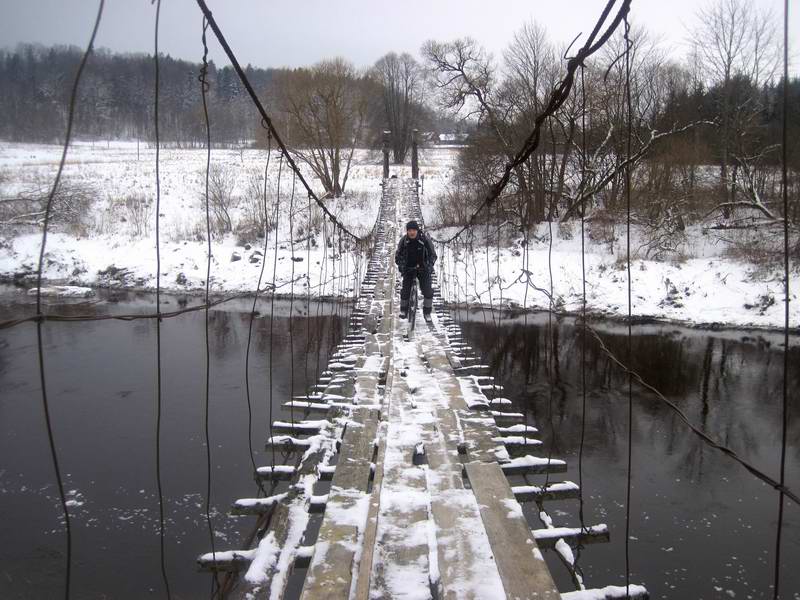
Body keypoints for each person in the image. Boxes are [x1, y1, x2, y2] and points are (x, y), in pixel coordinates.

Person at [395, 220, 436, 321]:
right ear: (407, 231)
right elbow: (398, 256)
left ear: (417, 231)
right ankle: (403, 310)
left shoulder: (425, 240)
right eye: (409, 230)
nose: (412, 232)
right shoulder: (403, 241)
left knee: (428, 291)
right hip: (408, 268)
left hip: (423, 268)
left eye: (414, 230)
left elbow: (433, 255)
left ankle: (427, 312)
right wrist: (401, 266)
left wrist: (429, 266)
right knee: (405, 290)